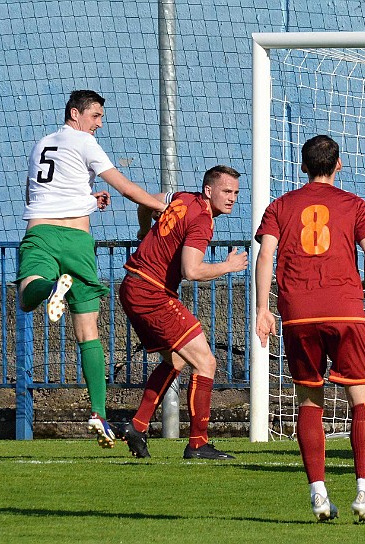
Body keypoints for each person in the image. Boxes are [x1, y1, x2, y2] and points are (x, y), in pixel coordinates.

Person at [16, 90, 167, 449]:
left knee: (26, 295)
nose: (99, 123)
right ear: (75, 114)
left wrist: (87, 198)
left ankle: (52, 287)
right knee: (88, 331)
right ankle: (98, 411)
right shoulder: (84, 142)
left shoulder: (42, 144)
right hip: (78, 241)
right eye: (96, 115)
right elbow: (124, 186)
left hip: (40, 231)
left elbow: (36, 193)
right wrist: (158, 204)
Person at [255, 135, 365, 524]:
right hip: (344, 309)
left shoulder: (280, 205)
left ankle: (318, 495)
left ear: (303, 166)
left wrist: (263, 308)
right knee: (361, 399)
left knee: (310, 400)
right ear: (338, 164)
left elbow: (265, 255)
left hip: (298, 311)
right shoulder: (354, 204)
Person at [118, 165, 248, 460]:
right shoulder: (202, 218)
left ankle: (137, 427)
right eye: (226, 191)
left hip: (132, 286)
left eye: (236, 193)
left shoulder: (181, 198)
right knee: (206, 362)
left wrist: (143, 230)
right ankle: (198, 444)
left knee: (175, 359)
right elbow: (192, 270)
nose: (232, 199)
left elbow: (146, 201)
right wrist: (228, 266)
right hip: (151, 293)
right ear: (208, 190)